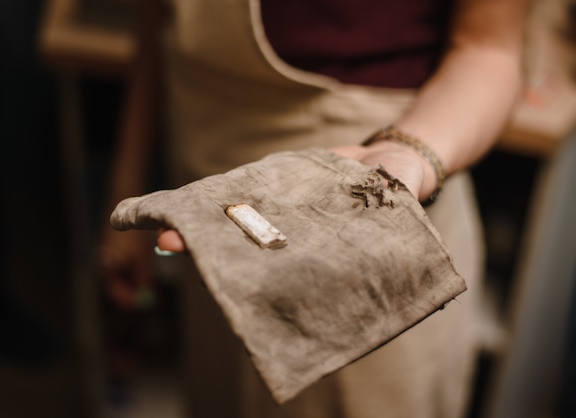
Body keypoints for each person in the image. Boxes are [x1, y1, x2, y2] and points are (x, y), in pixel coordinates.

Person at [100, 0, 529, 417]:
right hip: (204, 215)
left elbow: (489, 51)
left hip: (364, 235)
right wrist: (126, 184)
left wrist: (405, 153)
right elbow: (157, 24)